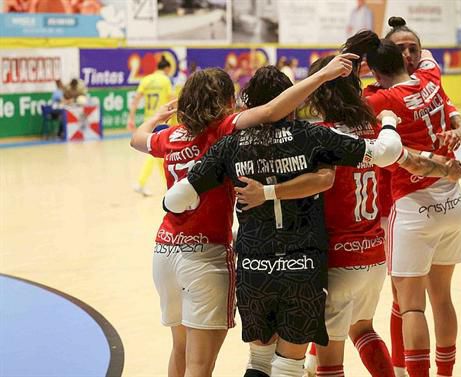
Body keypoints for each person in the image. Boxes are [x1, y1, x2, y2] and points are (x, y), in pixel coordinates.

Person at [162, 59, 409, 377]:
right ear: (290, 99)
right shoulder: (312, 136)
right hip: (302, 267)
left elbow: (175, 200)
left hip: (254, 268)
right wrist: (388, 122)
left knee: (260, 362)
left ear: (247, 103)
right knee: (289, 366)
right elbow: (387, 153)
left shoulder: (230, 144)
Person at [294, 56, 461, 377]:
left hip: (337, 255)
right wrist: (445, 168)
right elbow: (411, 160)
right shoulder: (376, 129)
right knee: (363, 328)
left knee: (331, 358)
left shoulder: (319, 137)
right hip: (372, 254)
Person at [344, 28, 461, 377]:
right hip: (452, 201)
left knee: (411, 307)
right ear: (401, 59)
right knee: (443, 299)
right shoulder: (431, 76)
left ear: (373, 69)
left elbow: (342, 106)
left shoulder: (381, 101)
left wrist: (356, 60)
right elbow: (426, 55)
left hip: (413, 206)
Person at [127, 56, 174, 196]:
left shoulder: (146, 80)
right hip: (162, 121)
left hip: (149, 121)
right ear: (166, 69)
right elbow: (172, 101)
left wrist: (131, 118)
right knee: (155, 152)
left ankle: (169, 186)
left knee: (160, 155)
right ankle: (141, 183)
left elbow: (135, 100)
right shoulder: (165, 80)